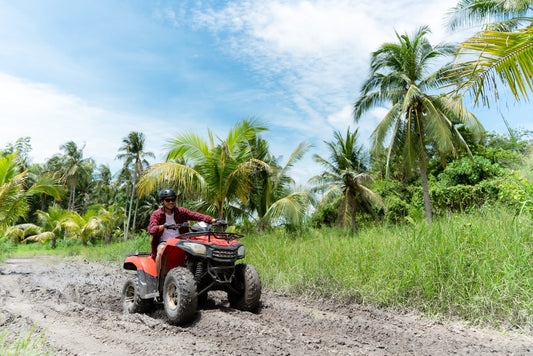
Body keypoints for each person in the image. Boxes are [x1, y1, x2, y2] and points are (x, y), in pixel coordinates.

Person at [148, 188, 216, 274]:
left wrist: (213, 220)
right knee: (161, 250)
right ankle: (159, 278)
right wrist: (163, 226)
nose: (171, 202)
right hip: (165, 242)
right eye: (168, 200)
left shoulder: (181, 211)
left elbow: (195, 215)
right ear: (162, 201)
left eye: (173, 199)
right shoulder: (157, 214)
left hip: (182, 240)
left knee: (199, 251)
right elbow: (152, 230)